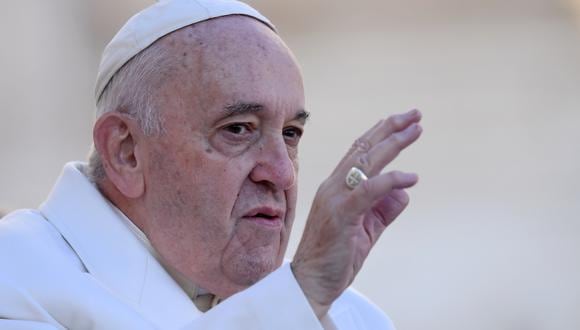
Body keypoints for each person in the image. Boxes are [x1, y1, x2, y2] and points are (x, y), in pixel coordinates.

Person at [0, 0, 422, 329]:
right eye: (238, 129)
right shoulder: (15, 279)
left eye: (291, 134)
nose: (282, 173)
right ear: (126, 152)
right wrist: (296, 299)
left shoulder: (347, 317)